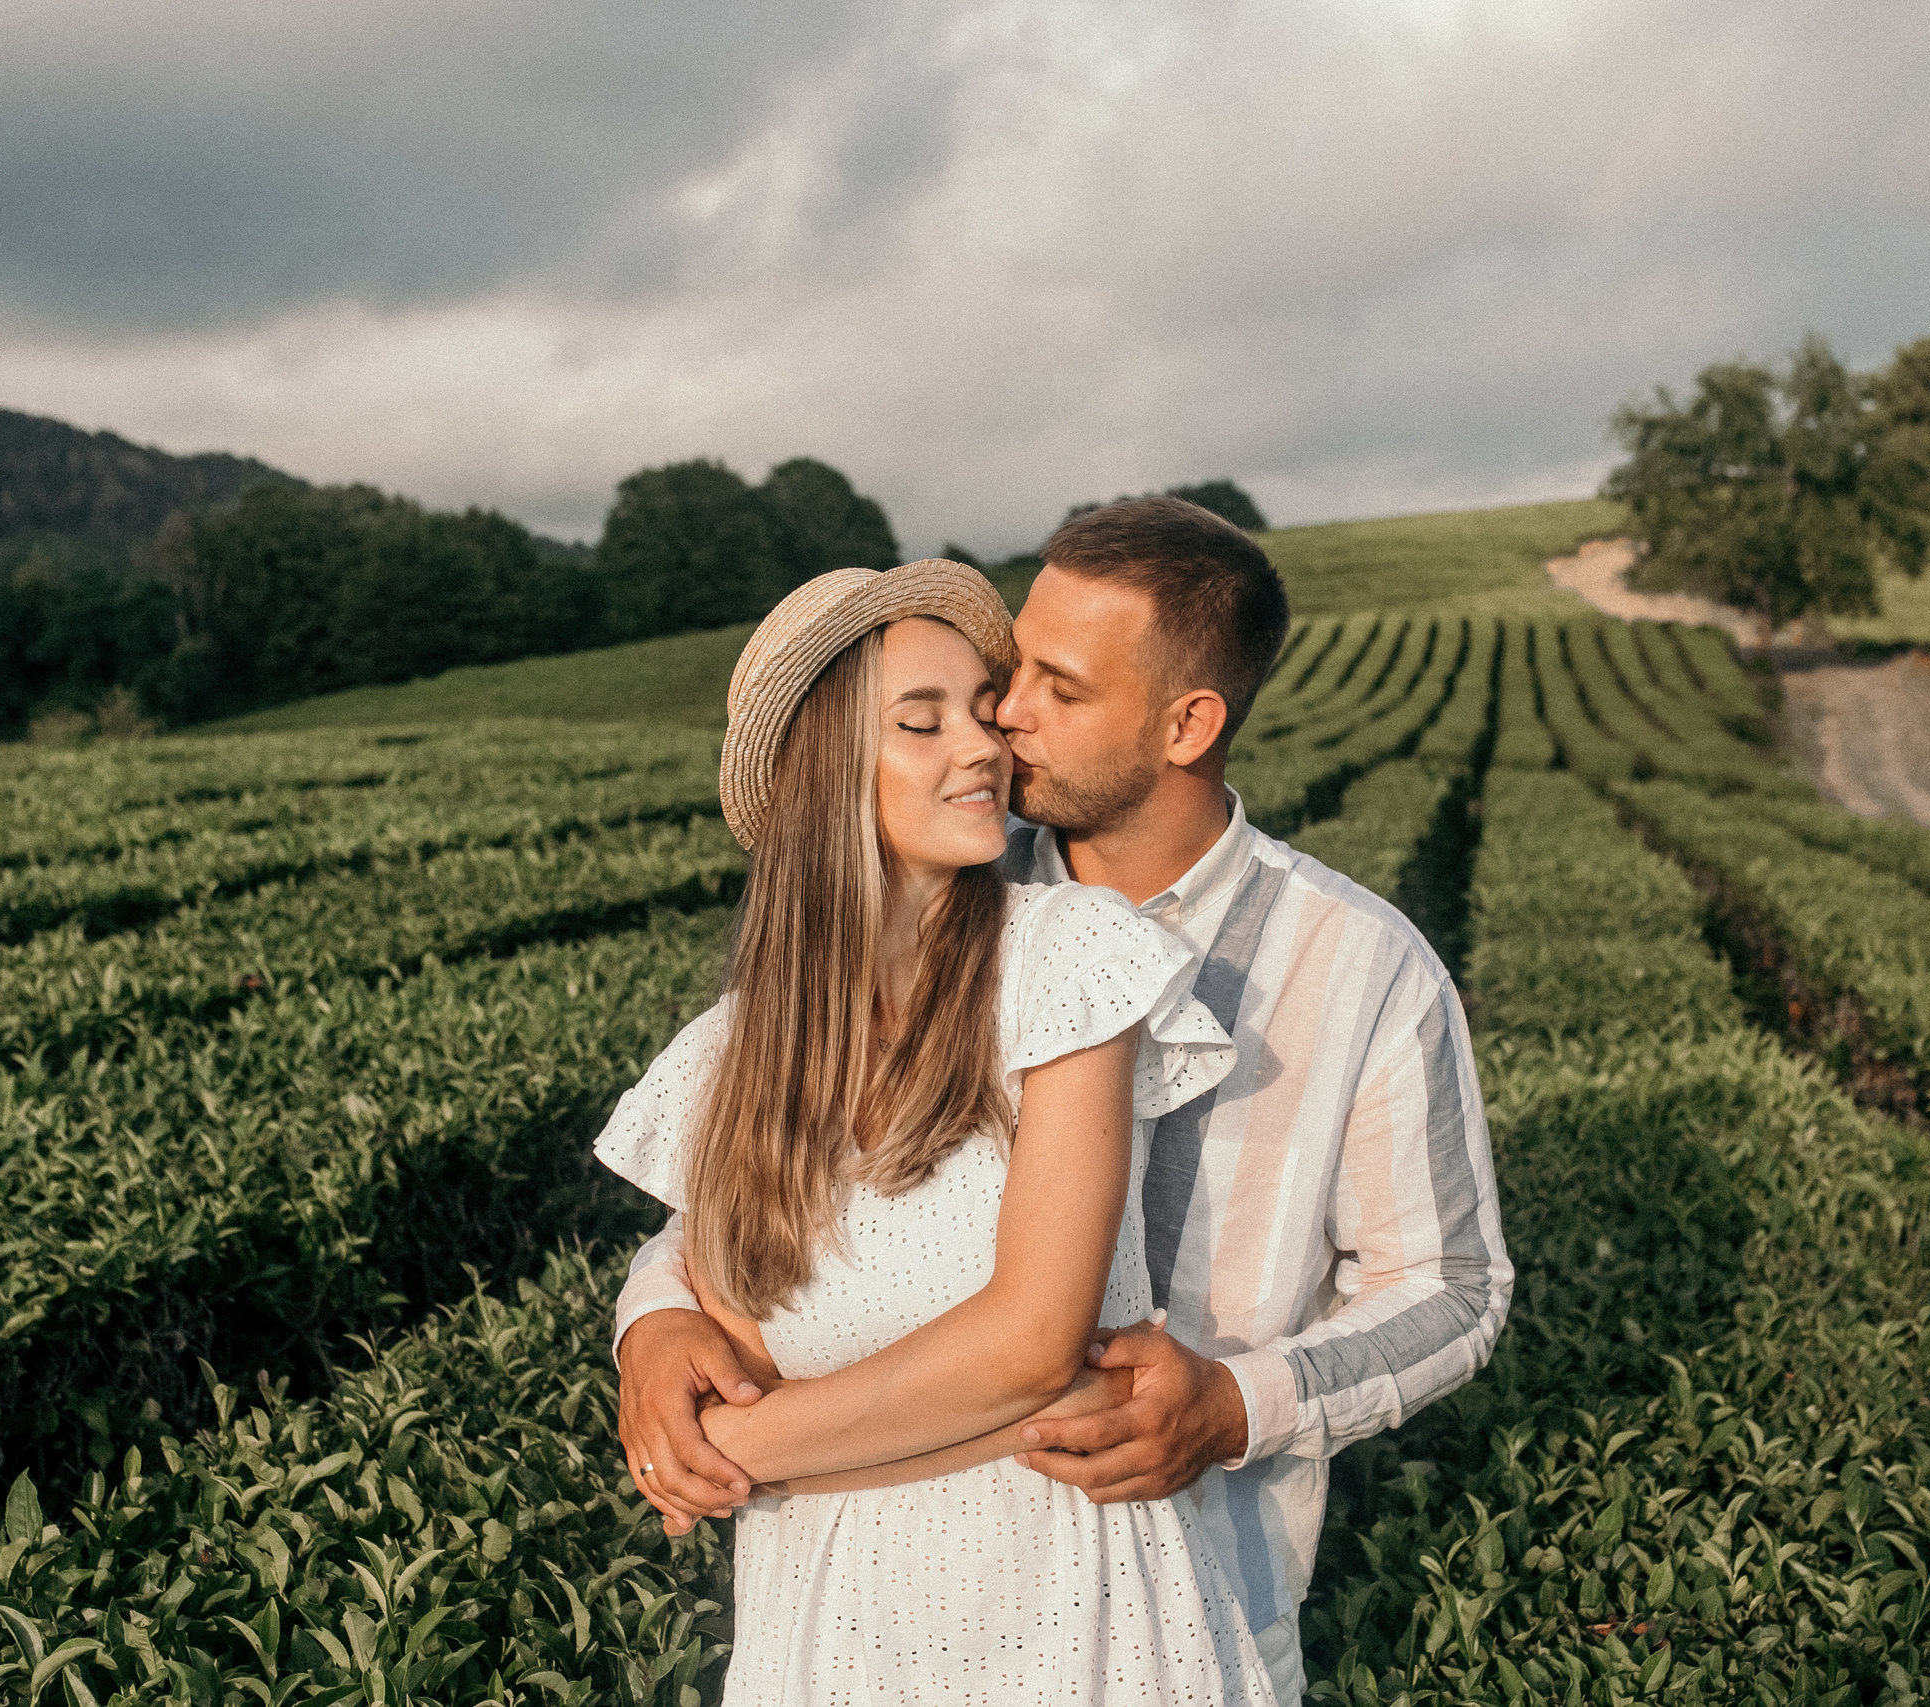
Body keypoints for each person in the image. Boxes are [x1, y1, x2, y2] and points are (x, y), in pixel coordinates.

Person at [615, 500, 1514, 1704]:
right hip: (850, 1592)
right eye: (1008, 671)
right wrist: (655, 1323)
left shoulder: (1359, 964)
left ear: (1187, 723)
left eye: (1058, 687)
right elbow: (772, 1204)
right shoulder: (944, 906)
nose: (1006, 715)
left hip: (1185, 1594)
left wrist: (1233, 1404)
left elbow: (1452, 1287)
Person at [593, 559, 1276, 1702]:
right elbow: (743, 1356)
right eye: (923, 721)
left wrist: (732, 1457)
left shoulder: (1063, 957)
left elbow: (1031, 1345)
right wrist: (658, 1336)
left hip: (1069, 1609)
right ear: (824, 778)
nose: (984, 745)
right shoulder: (724, 1060)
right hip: (822, 1627)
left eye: (980, 708)